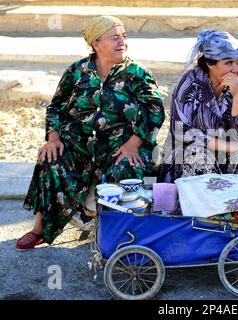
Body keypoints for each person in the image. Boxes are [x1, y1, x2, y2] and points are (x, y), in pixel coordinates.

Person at [15, 16, 165, 251]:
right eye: (115, 37)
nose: (122, 42)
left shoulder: (137, 73)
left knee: (126, 169)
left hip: (121, 144)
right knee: (51, 159)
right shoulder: (77, 71)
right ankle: (40, 229)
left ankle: (120, 236)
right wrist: (53, 138)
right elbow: (56, 106)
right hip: (78, 144)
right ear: (96, 43)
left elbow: (154, 111)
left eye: (124, 37)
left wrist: (134, 143)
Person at [159, 29, 238, 183]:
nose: (236, 69)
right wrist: (227, 147)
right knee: (200, 159)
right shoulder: (190, 84)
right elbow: (182, 132)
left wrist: (237, 95)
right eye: (228, 63)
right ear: (210, 64)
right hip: (189, 151)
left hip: (230, 151)